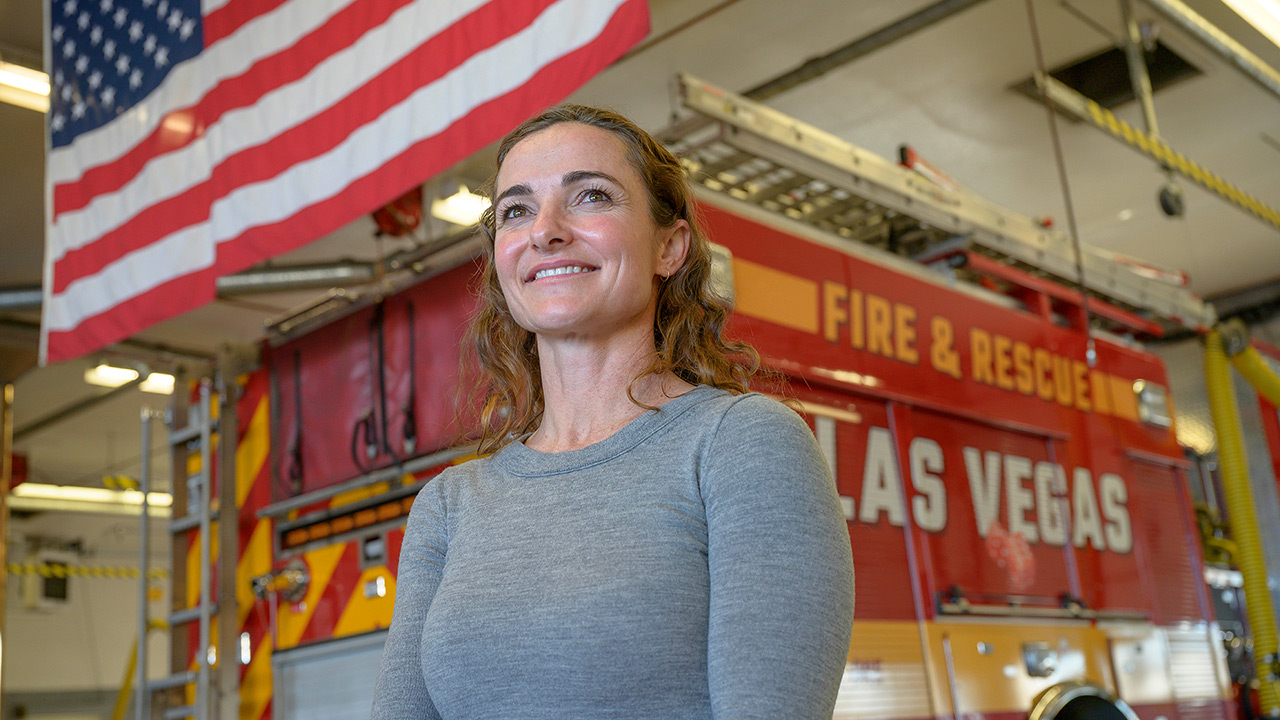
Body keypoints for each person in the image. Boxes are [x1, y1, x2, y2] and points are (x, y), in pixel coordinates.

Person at [370, 105, 854, 719]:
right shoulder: (447, 506)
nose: (545, 230)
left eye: (591, 196)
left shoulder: (741, 443)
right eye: (516, 210)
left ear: (670, 247)